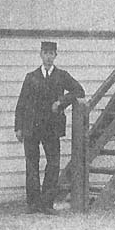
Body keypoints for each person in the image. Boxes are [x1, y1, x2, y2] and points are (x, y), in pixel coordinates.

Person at [14, 40, 85, 214]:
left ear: (55, 55)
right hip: (32, 126)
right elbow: (21, 103)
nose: (48, 57)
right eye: (45, 53)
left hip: (51, 127)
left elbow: (79, 90)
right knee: (32, 164)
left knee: (53, 164)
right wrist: (18, 127)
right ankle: (33, 203)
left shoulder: (62, 75)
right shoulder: (31, 77)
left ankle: (46, 203)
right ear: (40, 54)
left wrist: (61, 102)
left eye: (51, 53)